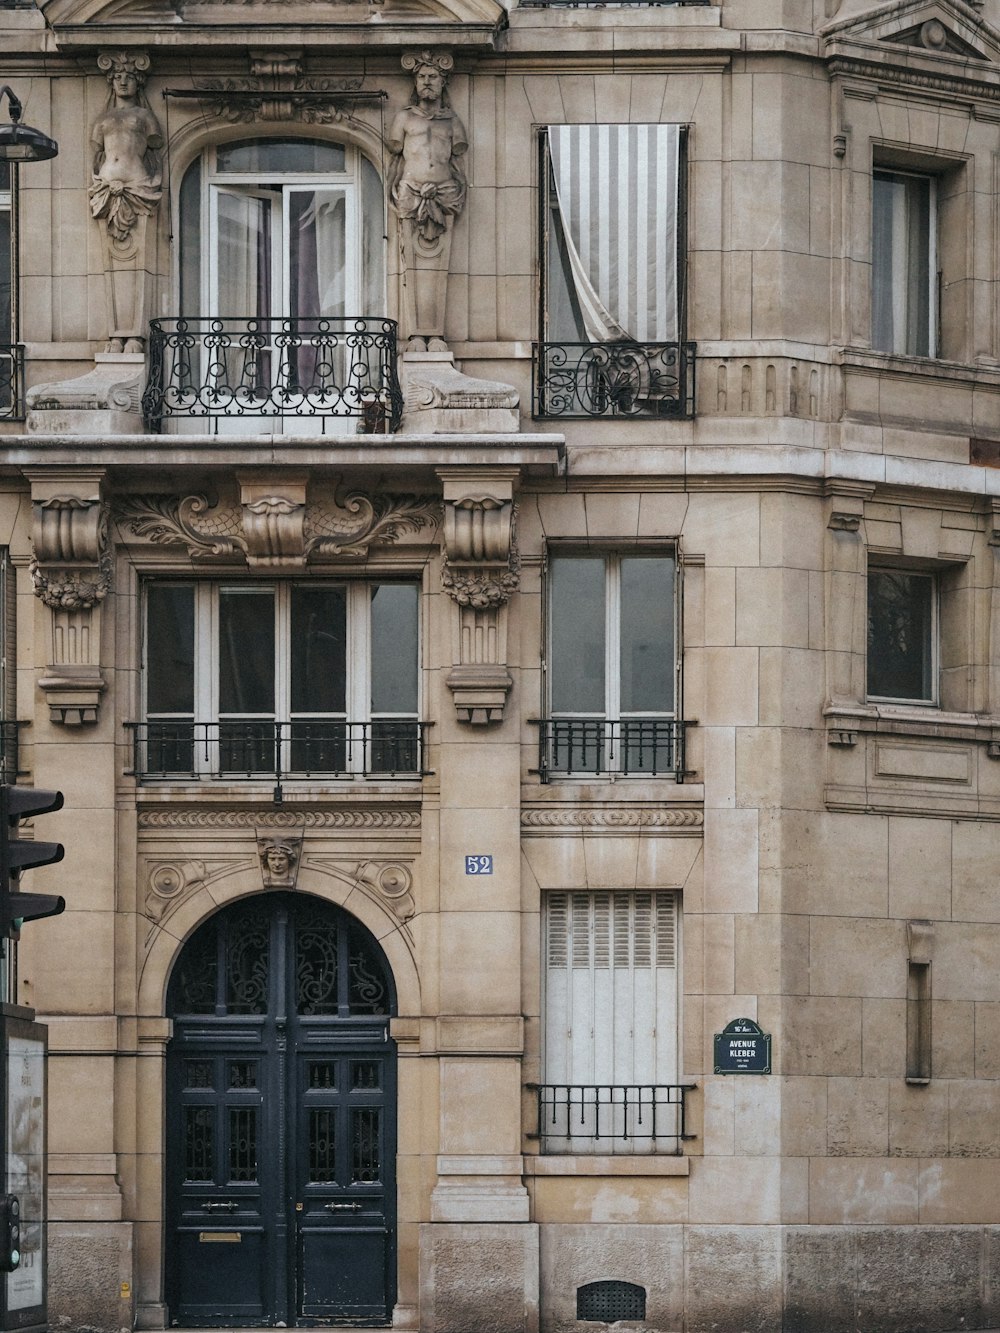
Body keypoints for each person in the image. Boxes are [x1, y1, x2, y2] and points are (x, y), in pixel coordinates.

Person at [387, 52, 468, 247]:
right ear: (415, 83)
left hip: (445, 190)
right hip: (411, 189)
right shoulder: (404, 118)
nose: (427, 82)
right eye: (421, 77)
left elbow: (458, 148)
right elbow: (394, 144)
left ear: (442, 82)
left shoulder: (452, 120)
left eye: (433, 77)